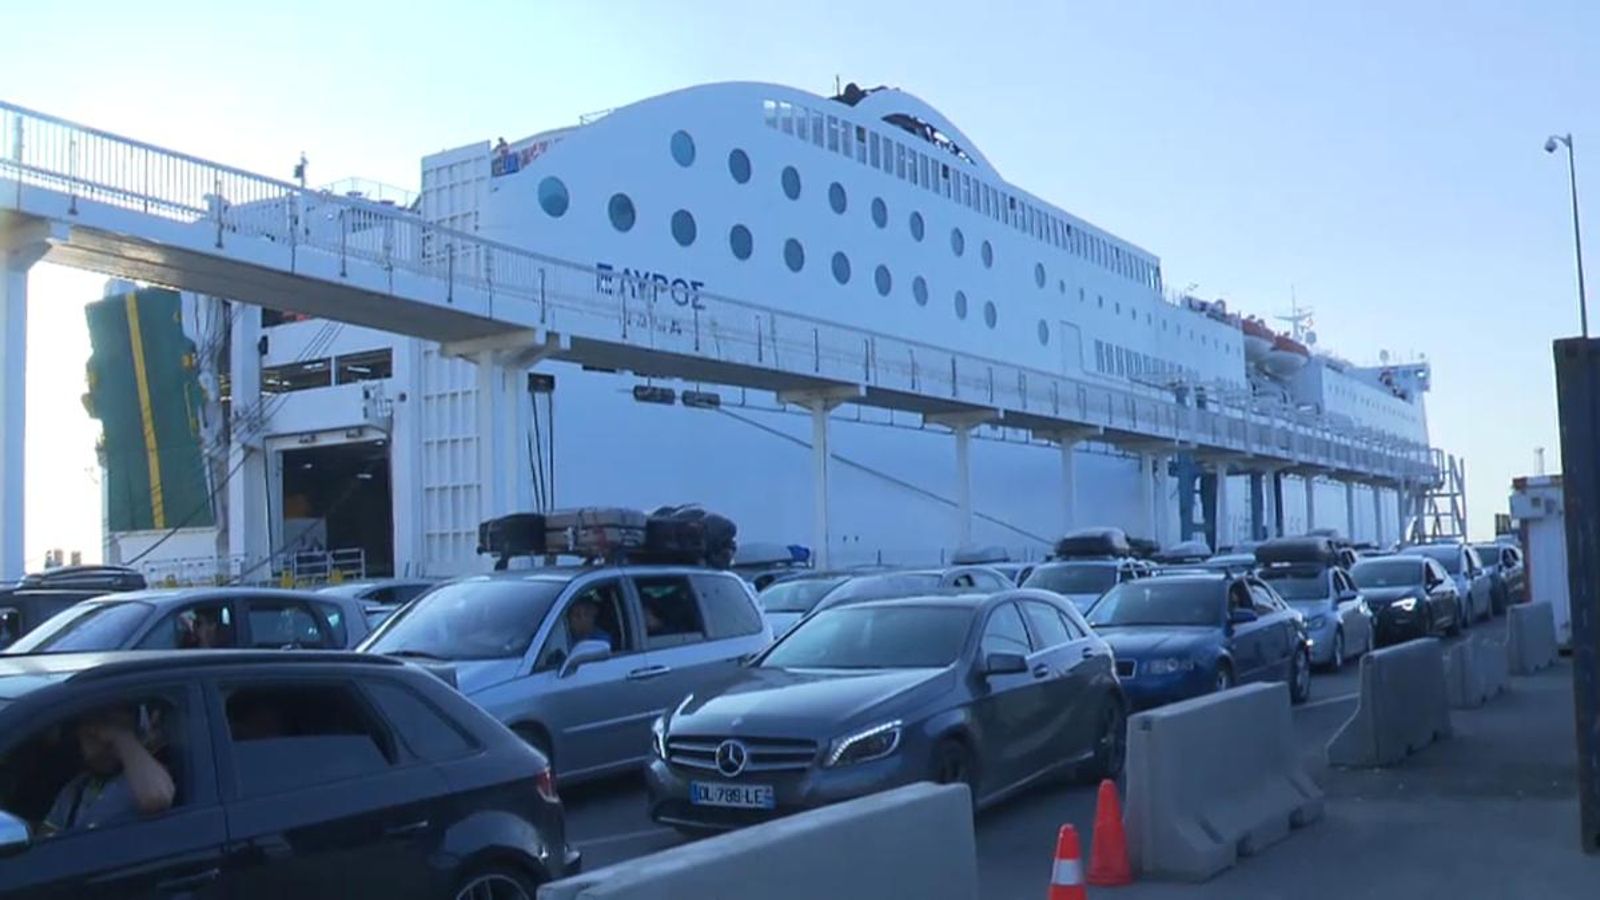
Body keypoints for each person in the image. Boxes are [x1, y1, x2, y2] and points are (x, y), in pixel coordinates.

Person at [42, 705, 175, 835]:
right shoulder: (75, 789)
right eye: (91, 736)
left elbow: (158, 799)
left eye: (109, 740)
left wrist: (121, 737)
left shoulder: (144, 774)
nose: (102, 742)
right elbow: (46, 838)